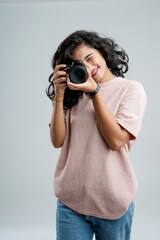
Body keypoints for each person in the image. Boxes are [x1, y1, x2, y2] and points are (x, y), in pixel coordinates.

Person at [46, 30, 147, 240]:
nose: (88, 67)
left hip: (112, 202)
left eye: (90, 58)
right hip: (70, 201)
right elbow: (57, 141)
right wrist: (59, 96)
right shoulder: (75, 93)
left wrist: (95, 93)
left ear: (102, 52)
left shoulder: (131, 89)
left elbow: (116, 141)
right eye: (79, 64)